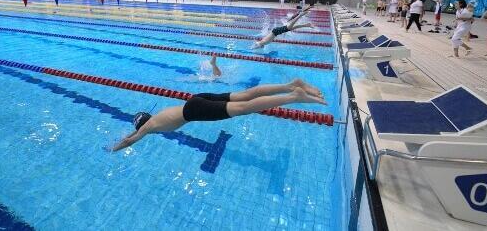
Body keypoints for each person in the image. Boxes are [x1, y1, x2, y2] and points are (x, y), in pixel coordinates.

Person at [111, 79, 326, 151]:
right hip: (195, 100)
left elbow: (130, 140)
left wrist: (113, 147)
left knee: (244, 107)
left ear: (141, 126)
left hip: (194, 110)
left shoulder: (148, 129)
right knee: (246, 95)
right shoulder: (155, 119)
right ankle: (290, 84)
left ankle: (293, 95)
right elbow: (135, 132)